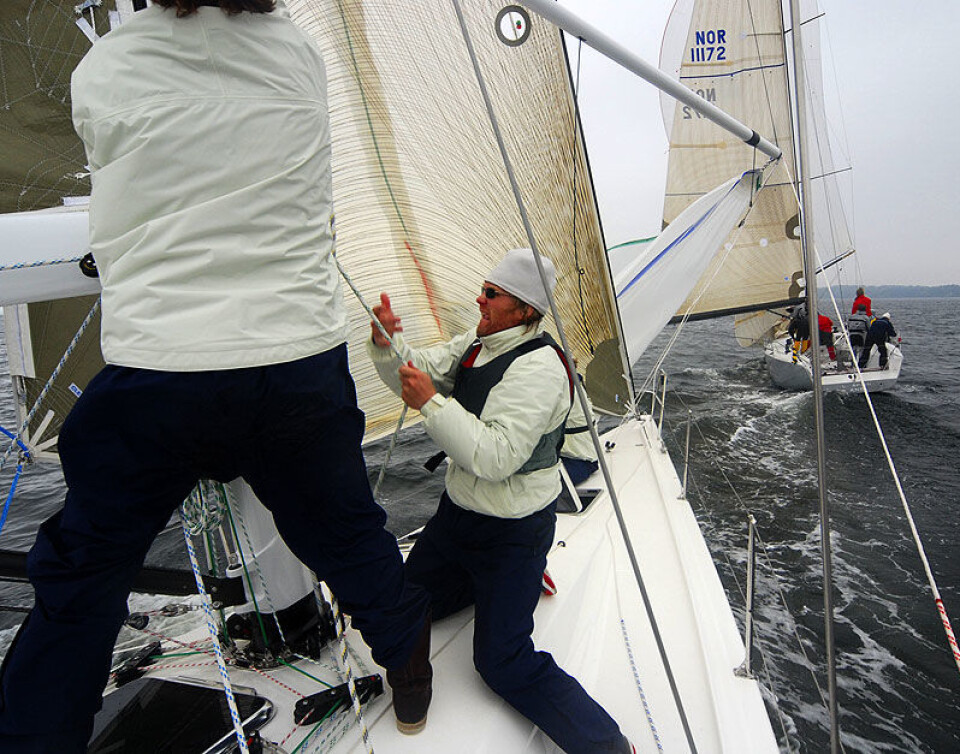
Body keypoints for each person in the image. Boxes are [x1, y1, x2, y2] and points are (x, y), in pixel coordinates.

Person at [0, 2, 431, 751]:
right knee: (347, 531)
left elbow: (108, 144)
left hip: (165, 372)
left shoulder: (106, 63)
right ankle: (412, 671)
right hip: (297, 364)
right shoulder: (301, 57)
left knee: (85, 577)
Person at [368, 248, 633, 754]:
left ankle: (606, 744)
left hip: (513, 535)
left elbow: (496, 456)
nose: (479, 299)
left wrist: (429, 401)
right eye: (483, 288)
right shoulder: (477, 342)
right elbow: (419, 369)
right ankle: (498, 585)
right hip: (456, 522)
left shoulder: (542, 369)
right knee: (405, 599)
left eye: (491, 294)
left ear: (524, 310)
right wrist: (388, 344)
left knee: (500, 662)